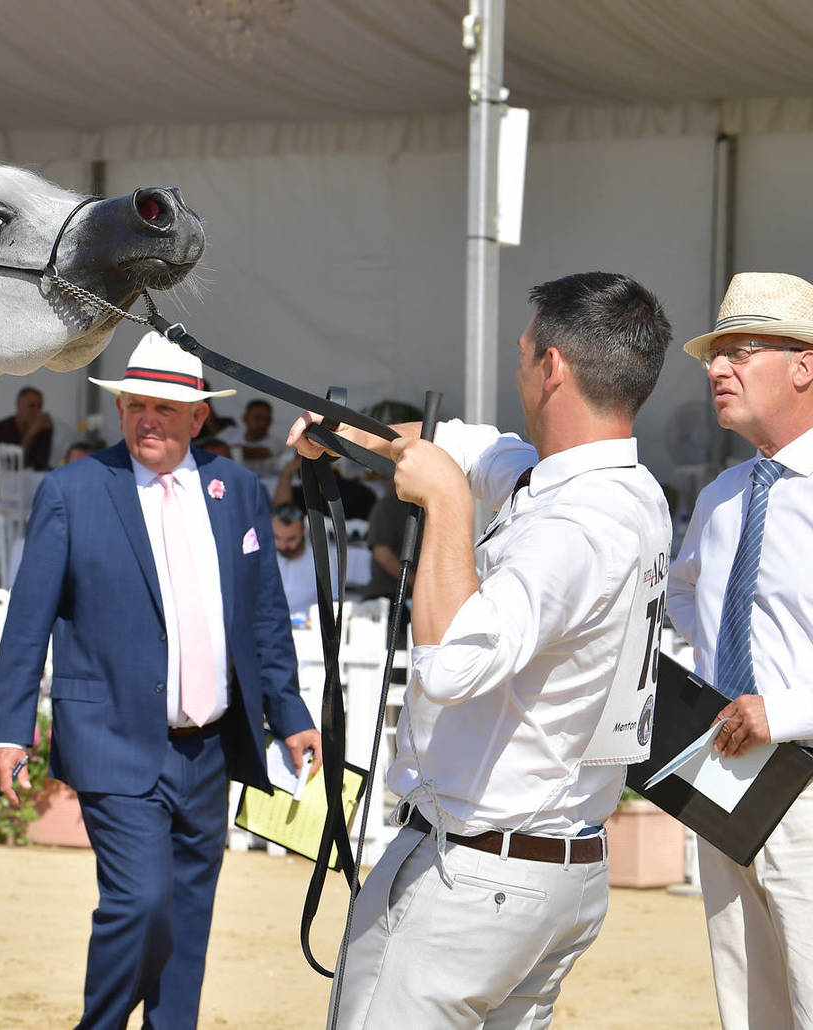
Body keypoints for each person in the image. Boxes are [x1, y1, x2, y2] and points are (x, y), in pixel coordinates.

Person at [291, 271, 672, 1028]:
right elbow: (468, 448)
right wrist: (360, 434)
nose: (519, 366)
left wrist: (447, 507)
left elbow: (455, 663)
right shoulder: (625, 491)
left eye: (525, 353)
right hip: (551, 871)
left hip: (474, 875)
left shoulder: (572, 527)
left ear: (553, 368)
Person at [0, 331, 321, 1030]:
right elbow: (28, 620)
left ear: (199, 417)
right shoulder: (74, 491)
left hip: (209, 749)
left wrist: (289, 714)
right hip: (114, 740)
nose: (148, 420)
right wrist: (9, 730)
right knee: (140, 905)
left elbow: (262, 619)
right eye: (137, 405)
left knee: (187, 927)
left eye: (166, 410)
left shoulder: (237, 493)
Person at [666, 271, 813, 1030]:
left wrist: (781, 709)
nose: (718, 369)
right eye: (715, 356)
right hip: (725, 775)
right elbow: (684, 593)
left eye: (741, 351)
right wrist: (713, 683)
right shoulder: (725, 495)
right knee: (747, 1003)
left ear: (804, 364)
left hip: (808, 783)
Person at [0, 386, 52, 494]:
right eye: (31, 405)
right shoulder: (0, 429)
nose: (37, 411)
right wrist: (30, 435)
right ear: (19, 406)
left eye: (40, 406)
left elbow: (39, 465)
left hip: (28, 488)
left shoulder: (44, 430)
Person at [271, 504, 338, 617]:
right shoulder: (262, 558)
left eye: (291, 539)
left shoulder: (324, 561)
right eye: (276, 537)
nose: (283, 545)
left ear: (303, 531)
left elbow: (334, 602)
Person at [360, 491, 413, 600]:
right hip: (390, 593)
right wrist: (416, 582)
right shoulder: (388, 506)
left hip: (423, 595)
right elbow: (382, 554)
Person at [217, 398, 285, 473]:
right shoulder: (229, 433)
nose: (262, 423)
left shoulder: (276, 443)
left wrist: (227, 449)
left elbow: (259, 452)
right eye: (257, 418)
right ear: (245, 418)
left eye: (267, 419)